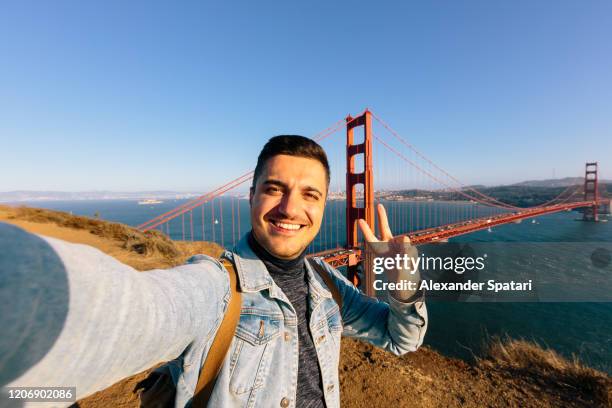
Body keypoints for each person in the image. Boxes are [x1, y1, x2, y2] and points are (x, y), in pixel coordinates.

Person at [0, 135, 427, 408]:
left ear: (322, 205)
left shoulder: (326, 282)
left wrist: (401, 278)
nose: (290, 208)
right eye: (274, 189)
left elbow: (399, 339)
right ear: (251, 196)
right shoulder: (212, 286)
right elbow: (125, 313)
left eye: (309, 195)